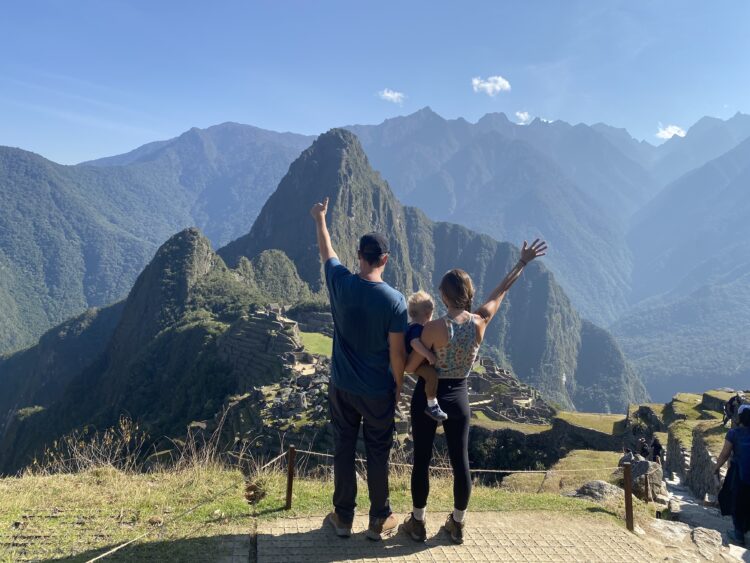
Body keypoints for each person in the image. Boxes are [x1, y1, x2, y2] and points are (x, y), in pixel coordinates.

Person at [401, 239, 547, 544]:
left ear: (443, 296)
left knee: (422, 460)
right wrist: (521, 263)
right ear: (469, 295)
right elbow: (499, 293)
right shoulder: (480, 322)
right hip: (459, 396)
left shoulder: (434, 329)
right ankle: (458, 523)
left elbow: (411, 366)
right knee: (461, 461)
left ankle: (417, 522)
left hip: (430, 395)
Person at [310, 197, 408, 541]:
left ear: (359, 256)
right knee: (378, 452)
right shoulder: (394, 301)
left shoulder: (340, 282)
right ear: (384, 259)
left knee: (344, 448)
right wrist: (398, 385)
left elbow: (327, 251)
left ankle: (343, 517)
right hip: (377, 390)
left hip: (342, 387)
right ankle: (380, 518)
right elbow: (397, 353)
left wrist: (320, 218)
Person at [406, 291, 447, 422]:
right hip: (413, 363)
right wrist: (428, 354)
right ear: (428, 314)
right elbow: (414, 342)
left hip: (411, 361)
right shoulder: (417, 328)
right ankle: (432, 404)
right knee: (432, 375)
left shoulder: (409, 325)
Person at [715, 405, 750, 546]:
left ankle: (739, 534)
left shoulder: (734, 433)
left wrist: (715, 468)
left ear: (740, 418)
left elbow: (725, 454)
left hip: (739, 473)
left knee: (737, 501)